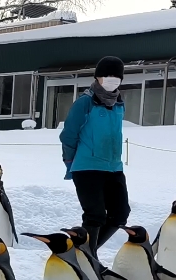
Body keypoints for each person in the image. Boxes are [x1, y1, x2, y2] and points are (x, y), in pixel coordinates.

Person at [60, 56, 130, 259]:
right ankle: (87, 259)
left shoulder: (119, 103)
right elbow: (68, 135)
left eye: (116, 77)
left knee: (120, 214)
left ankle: (84, 253)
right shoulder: (85, 103)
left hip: (114, 168)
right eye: (107, 76)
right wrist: (69, 162)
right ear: (97, 77)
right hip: (87, 168)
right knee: (95, 215)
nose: (112, 79)